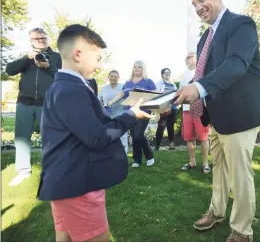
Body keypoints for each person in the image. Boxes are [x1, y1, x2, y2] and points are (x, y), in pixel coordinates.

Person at [37, 24, 153, 242]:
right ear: (78, 54)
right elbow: (97, 137)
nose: (100, 66)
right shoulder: (71, 89)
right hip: (78, 184)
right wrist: (131, 116)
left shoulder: (61, 86)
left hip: (64, 182)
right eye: (98, 58)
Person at [174, 0, 260, 242]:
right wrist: (186, 92)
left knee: (240, 175)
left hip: (240, 115)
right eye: (194, 4)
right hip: (215, 117)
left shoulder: (240, 24)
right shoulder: (206, 36)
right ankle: (217, 211)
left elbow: (236, 65)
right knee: (219, 170)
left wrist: (199, 87)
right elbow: (206, 71)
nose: (199, 7)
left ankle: (242, 231)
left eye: (202, 0)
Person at [5, 27, 62, 187]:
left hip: (47, 104)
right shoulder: (27, 57)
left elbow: (63, 76)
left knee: (49, 138)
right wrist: (27, 58)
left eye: (43, 37)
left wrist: (48, 67)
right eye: (36, 38)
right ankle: (23, 171)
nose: (40, 40)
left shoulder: (57, 57)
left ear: (47, 38)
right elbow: (9, 70)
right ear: (31, 40)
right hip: (24, 102)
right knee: (22, 137)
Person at [107, 60, 156, 168]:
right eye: (135, 67)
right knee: (134, 136)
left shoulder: (148, 81)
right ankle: (137, 159)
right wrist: (109, 103)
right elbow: (121, 94)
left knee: (138, 134)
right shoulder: (128, 82)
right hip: (131, 112)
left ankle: (149, 155)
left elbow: (155, 96)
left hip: (144, 112)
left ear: (143, 69)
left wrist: (157, 110)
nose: (136, 68)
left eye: (139, 67)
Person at [180, 53, 210, 173]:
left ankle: (205, 163)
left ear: (196, 59)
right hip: (186, 110)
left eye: (188, 58)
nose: (186, 60)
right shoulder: (183, 76)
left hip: (200, 108)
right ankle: (192, 162)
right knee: (189, 136)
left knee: (203, 137)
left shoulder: (202, 71)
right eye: (185, 58)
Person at [98, 70, 129, 153]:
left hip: (121, 115)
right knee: (109, 135)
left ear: (118, 78)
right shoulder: (104, 88)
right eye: (111, 76)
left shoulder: (123, 87)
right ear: (108, 77)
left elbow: (128, 99)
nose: (113, 78)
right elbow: (99, 100)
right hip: (108, 116)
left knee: (122, 136)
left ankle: (124, 154)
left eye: (115, 77)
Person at [154, 68, 178, 150]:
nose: (168, 74)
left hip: (173, 108)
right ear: (162, 74)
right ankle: (157, 145)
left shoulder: (173, 84)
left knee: (170, 126)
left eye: (169, 73)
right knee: (161, 126)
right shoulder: (159, 83)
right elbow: (156, 95)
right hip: (163, 108)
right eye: (166, 73)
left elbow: (176, 95)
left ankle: (171, 144)